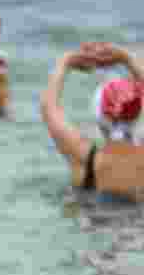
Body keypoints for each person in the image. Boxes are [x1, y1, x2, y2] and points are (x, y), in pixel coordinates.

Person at [41, 42, 144, 201]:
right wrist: (127, 59)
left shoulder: (83, 157)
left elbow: (49, 107)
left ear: (99, 117)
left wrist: (65, 62)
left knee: (71, 198)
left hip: (97, 221)